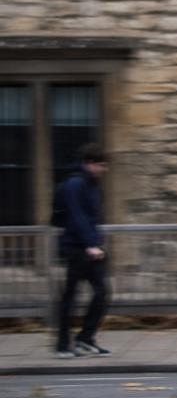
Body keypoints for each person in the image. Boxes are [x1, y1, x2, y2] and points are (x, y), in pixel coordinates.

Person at [53, 143, 111, 358]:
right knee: (70, 297)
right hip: (75, 248)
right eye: (101, 165)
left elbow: (92, 219)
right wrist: (90, 245)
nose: (104, 169)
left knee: (102, 294)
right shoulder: (75, 184)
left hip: (89, 247)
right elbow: (76, 217)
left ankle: (85, 338)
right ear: (89, 163)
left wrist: (96, 243)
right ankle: (62, 345)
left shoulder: (93, 185)